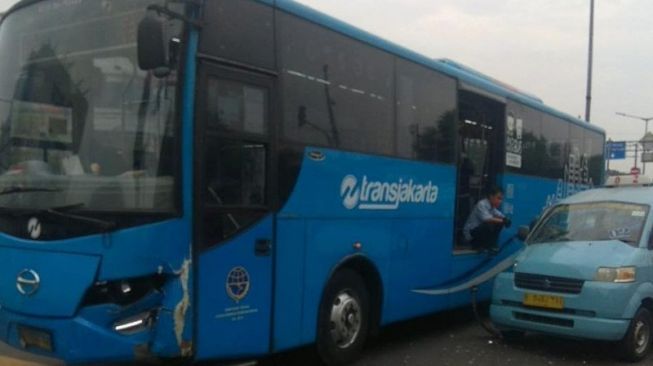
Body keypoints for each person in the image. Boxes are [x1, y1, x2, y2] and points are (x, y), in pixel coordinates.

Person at [463, 186, 511, 251]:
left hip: (479, 233)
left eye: (501, 199)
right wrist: (502, 221)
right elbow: (486, 219)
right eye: (498, 198)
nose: (500, 201)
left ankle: (489, 245)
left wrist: (506, 219)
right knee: (489, 224)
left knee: (499, 223)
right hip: (470, 234)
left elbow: (500, 214)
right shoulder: (481, 204)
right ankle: (477, 245)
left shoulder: (492, 207)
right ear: (491, 196)